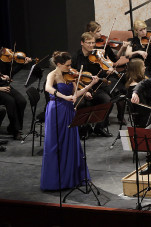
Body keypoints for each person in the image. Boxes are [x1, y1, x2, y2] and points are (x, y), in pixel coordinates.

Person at [41, 51, 99, 191]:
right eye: (67, 65)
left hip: (68, 110)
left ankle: (72, 178)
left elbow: (75, 94)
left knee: (71, 143)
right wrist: (64, 97)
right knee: (56, 144)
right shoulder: (52, 75)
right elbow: (48, 88)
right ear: (59, 64)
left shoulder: (71, 75)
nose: (69, 67)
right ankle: (55, 181)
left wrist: (90, 84)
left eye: (70, 64)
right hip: (56, 110)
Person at [71, 32, 114, 138]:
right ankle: (84, 129)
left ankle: (99, 127)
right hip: (81, 88)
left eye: (93, 43)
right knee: (81, 104)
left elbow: (102, 74)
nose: (91, 45)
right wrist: (84, 91)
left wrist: (108, 71)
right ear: (82, 43)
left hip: (96, 87)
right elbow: (73, 78)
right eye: (88, 43)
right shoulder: (75, 57)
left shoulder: (97, 56)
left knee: (108, 101)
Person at [0, 63, 28, 140]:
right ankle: (16, 131)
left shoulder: (2, 61)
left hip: (5, 85)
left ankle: (12, 127)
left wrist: (22, 64)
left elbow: (11, 72)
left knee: (21, 101)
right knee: (11, 101)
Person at [125, 59, 151, 128]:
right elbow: (146, 102)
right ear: (138, 69)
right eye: (143, 66)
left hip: (138, 117)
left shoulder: (130, 82)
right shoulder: (138, 87)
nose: (145, 67)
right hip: (145, 118)